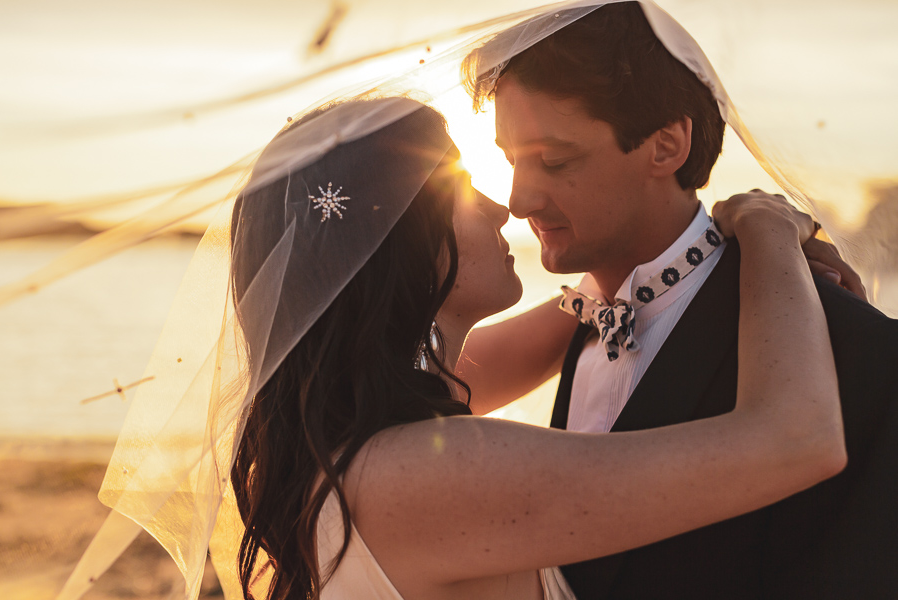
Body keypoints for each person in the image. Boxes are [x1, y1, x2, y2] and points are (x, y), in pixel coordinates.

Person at [225, 96, 845, 600]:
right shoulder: (429, 476)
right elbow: (796, 439)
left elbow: (584, 313)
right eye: (461, 191)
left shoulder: (334, 436)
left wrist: (650, 257)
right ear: (398, 247)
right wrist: (770, 228)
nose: (502, 207)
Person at [461, 2, 898, 598]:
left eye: (555, 161)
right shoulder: (580, 322)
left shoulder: (847, 343)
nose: (517, 199)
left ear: (666, 146)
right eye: (510, 160)